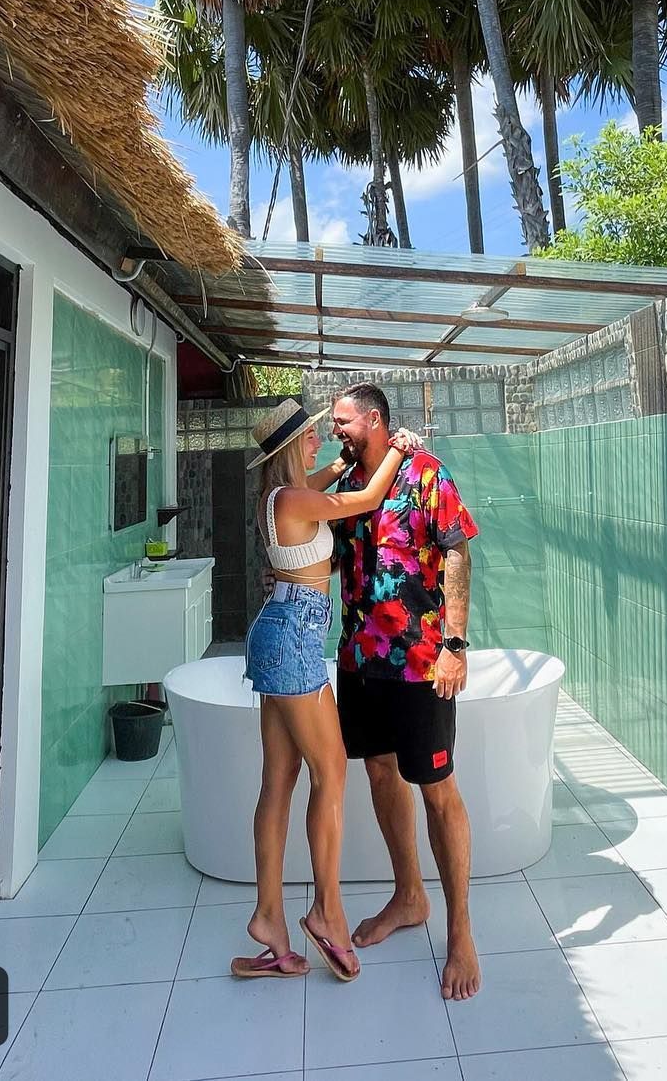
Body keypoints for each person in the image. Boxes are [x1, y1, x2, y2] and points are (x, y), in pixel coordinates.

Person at [232, 399, 420, 983]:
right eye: (312, 436)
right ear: (293, 447)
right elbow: (361, 501)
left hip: (282, 628)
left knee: (278, 781)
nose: (320, 441)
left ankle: (269, 921)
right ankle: (327, 913)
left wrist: (345, 460)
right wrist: (397, 449)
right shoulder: (293, 499)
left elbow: (332, 480)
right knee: (332, 771)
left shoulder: (282, 496)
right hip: (292, 636)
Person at [329, 383, 483, 1001]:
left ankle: (461, 931)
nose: (336, 429)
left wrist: (455, 644)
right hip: (360, 662)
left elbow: (457, 553)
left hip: (422, 663)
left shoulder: (425, 473)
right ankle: (409, 895)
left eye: (343, 421)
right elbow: (334, 557)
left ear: (374, 420)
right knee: (379, 772)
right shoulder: (347, 485)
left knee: (438, 791)